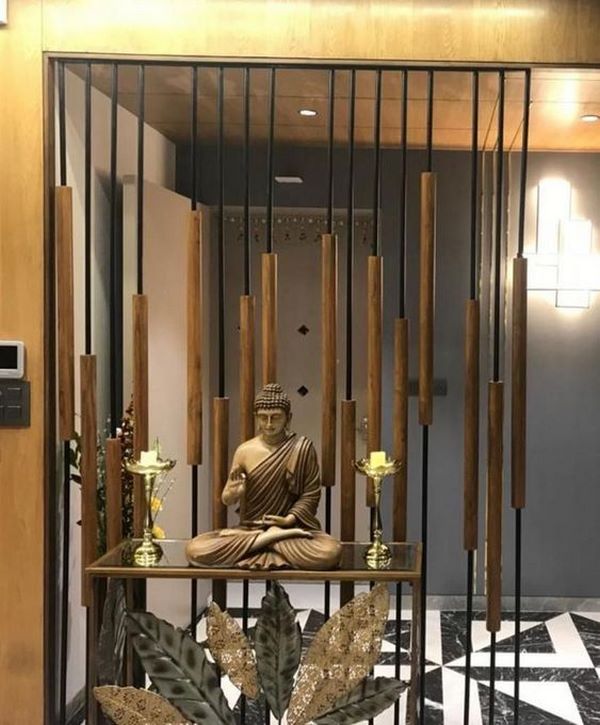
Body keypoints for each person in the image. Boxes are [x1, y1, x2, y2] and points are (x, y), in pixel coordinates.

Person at [186, 383, 342, 570]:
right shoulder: (244, 450)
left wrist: (288, 520)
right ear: (256, 418)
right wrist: (235, 492)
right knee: (195, 549)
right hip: (250, 529)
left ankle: (265, 540)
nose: (269, 424)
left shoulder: (302, 449)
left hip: (288, 530)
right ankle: (270, 538)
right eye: (263, 417)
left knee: (331, 552)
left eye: (275, 417)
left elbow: (311, 494)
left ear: (288, 418)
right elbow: (227, 499)